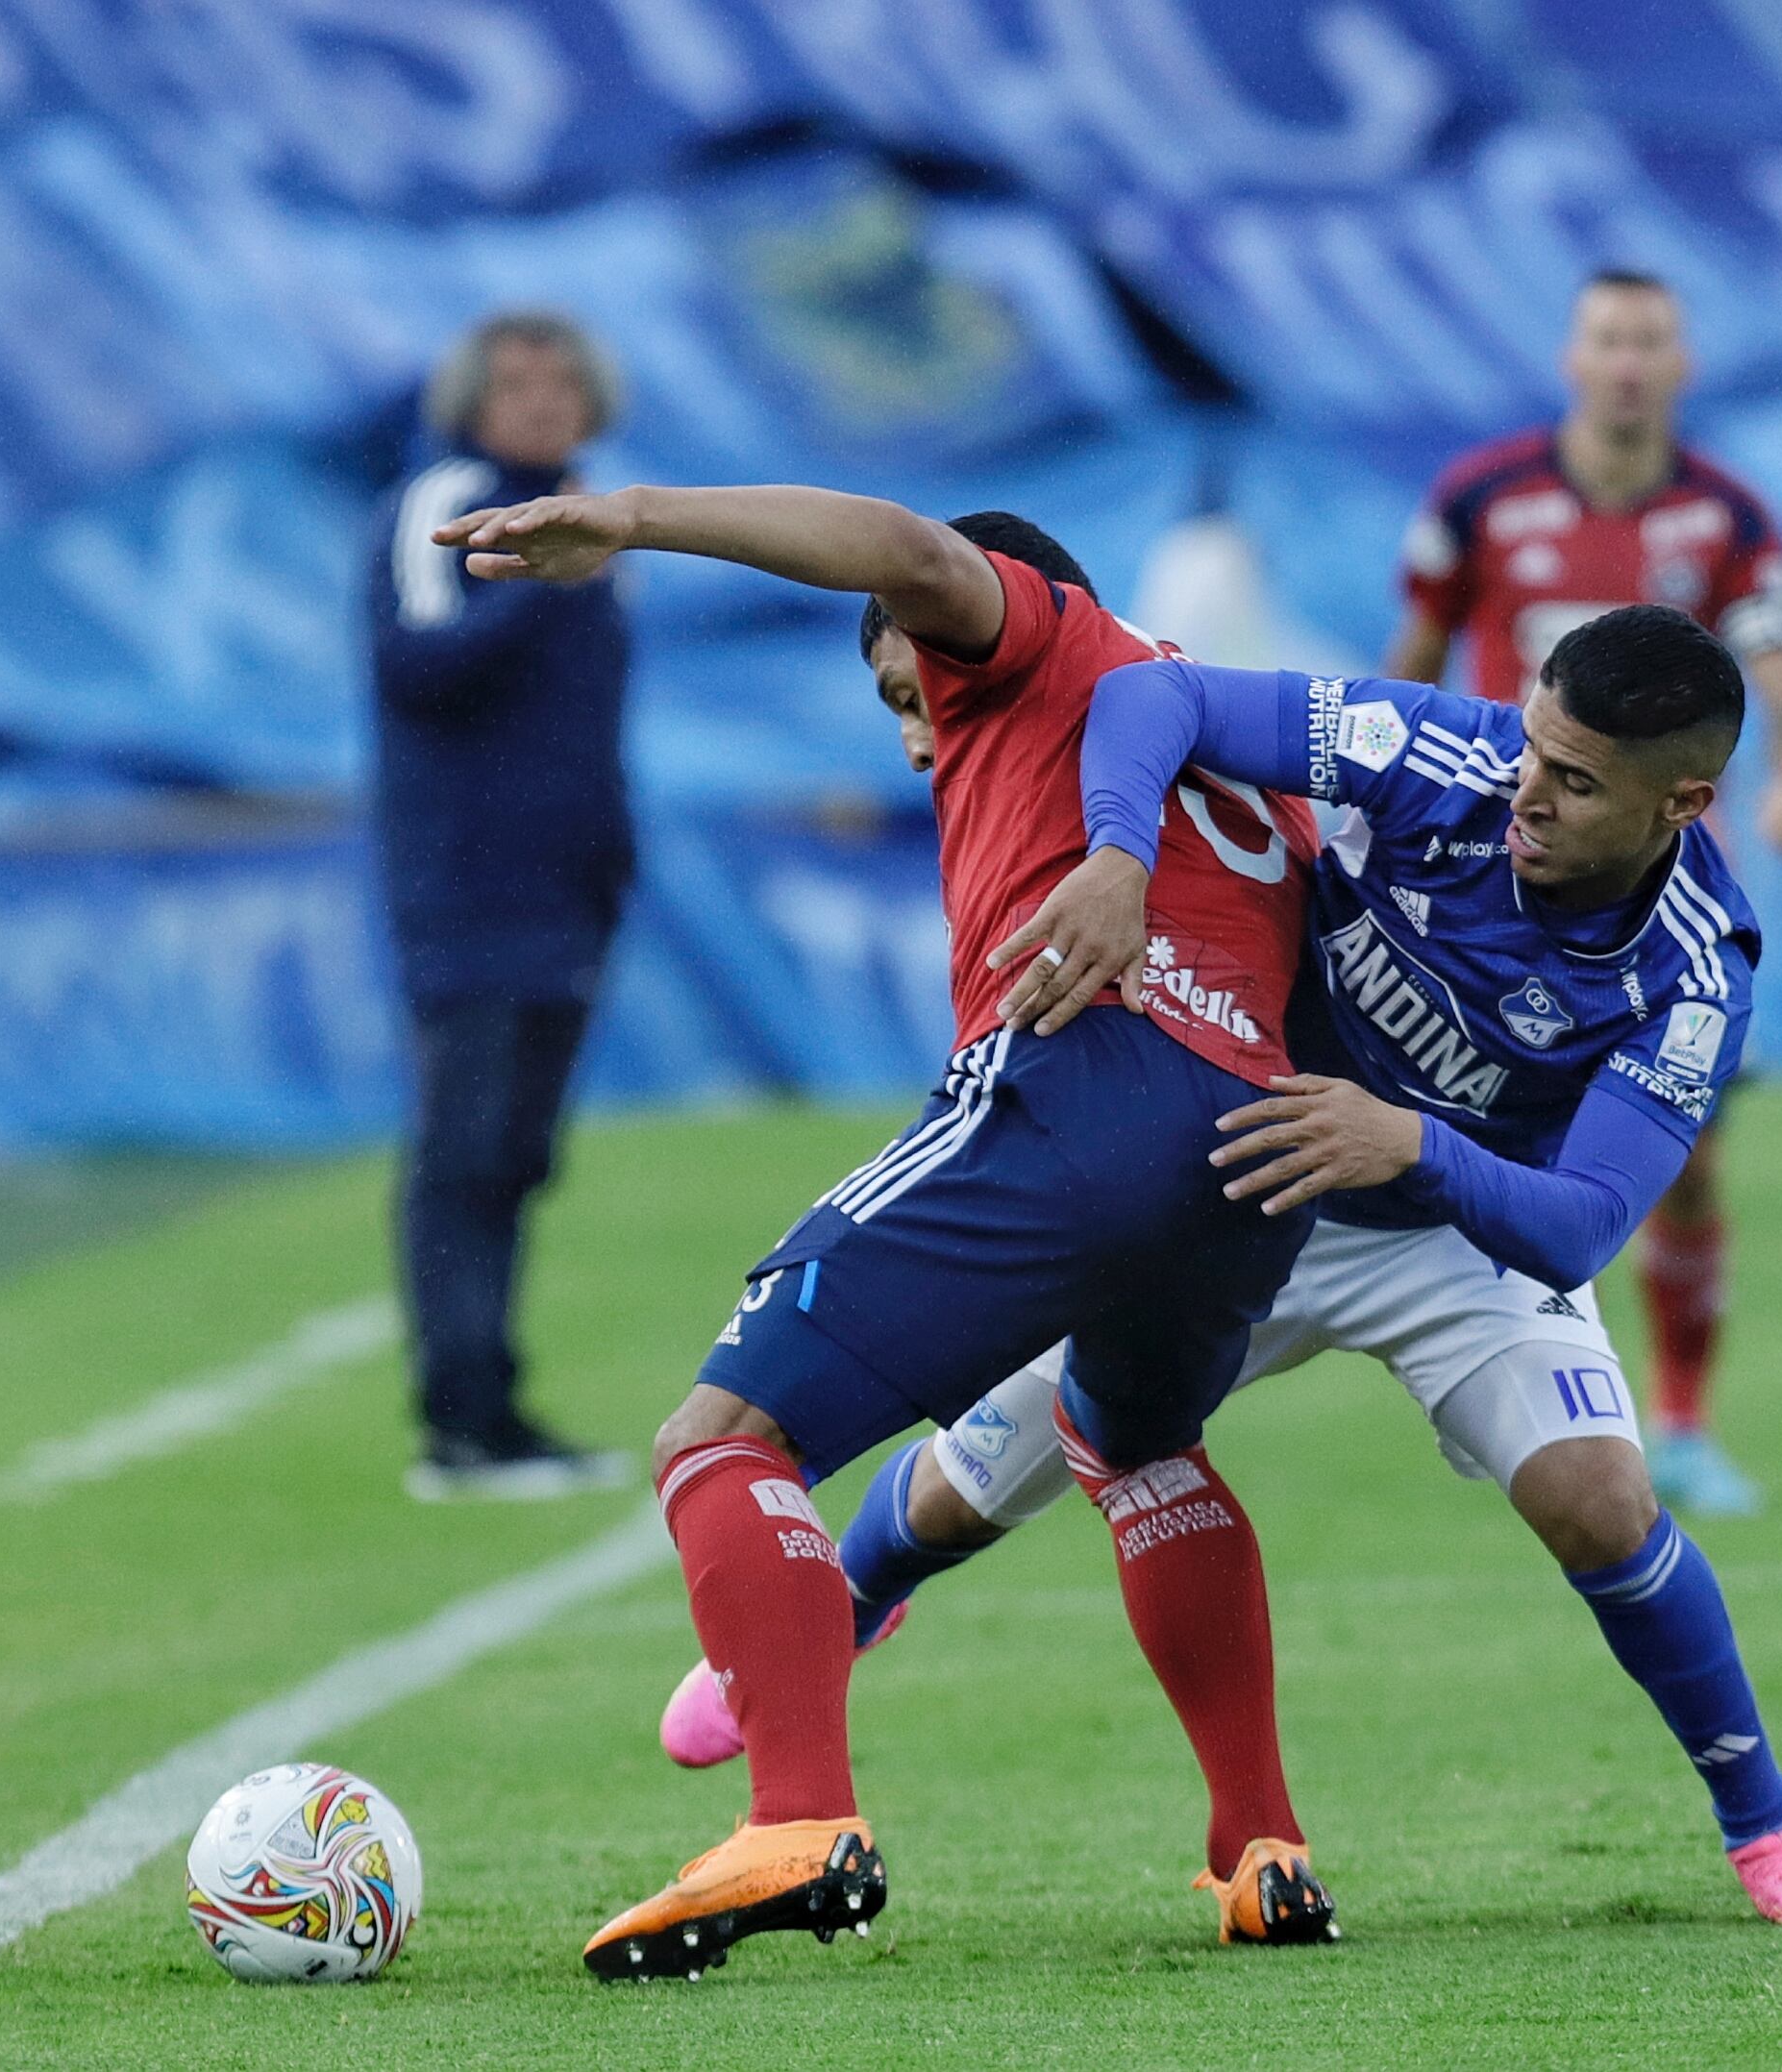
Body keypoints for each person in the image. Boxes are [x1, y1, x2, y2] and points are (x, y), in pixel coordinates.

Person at [659, 606, 1782, 1928]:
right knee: (981, 1476)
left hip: (1452, 1229)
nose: (1527, 793)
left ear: (1684, 802)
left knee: (1599, 1500)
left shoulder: (1695, 969)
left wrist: (1407, 1143)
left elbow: (1580, 1223)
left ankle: (1769, 1831)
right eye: (1534, 747)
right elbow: (1150, 701)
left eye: (1576, 783)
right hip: (1245, 1178)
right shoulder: (1443, 753)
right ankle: (849, 1598)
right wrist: (1119, 858)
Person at [433, 482, 1335, 1971]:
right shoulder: (1237, 737)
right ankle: (1259, 1847)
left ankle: (796, 1817)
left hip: (1083, 1088)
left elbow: (913, 554)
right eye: (893, 709)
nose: (919, 734)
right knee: (1138, 1448)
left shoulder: (1045, 647)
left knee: (719, 1436)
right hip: (1249, 1159)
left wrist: (635, 521)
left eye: (916, 687)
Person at [1382, 268, 1782, 1518]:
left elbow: (1778, 658)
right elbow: (1411, 665)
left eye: (1649, 340)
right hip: (1491, 863)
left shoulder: (1727, 519)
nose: (1627, 361)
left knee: (1676, 1156)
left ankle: (1679, 1425)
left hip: (1655, 895)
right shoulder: (1477, 499)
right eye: (1606, 339)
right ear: (1571, 359)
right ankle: (1488, 1378)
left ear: (1679, 362)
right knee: (1458, 1111)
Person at [369, 311, 635, 1501]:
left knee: (517, 1155)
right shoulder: (452, 502)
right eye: (516, 379)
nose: (542, 397)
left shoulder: (586, 508)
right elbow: (418, 664)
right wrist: (545, 575)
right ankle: (461, 1418)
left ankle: (495, 1404)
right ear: (469, 396)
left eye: (562, 376)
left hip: (564, 892)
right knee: (464, 1148)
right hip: (467, 890)